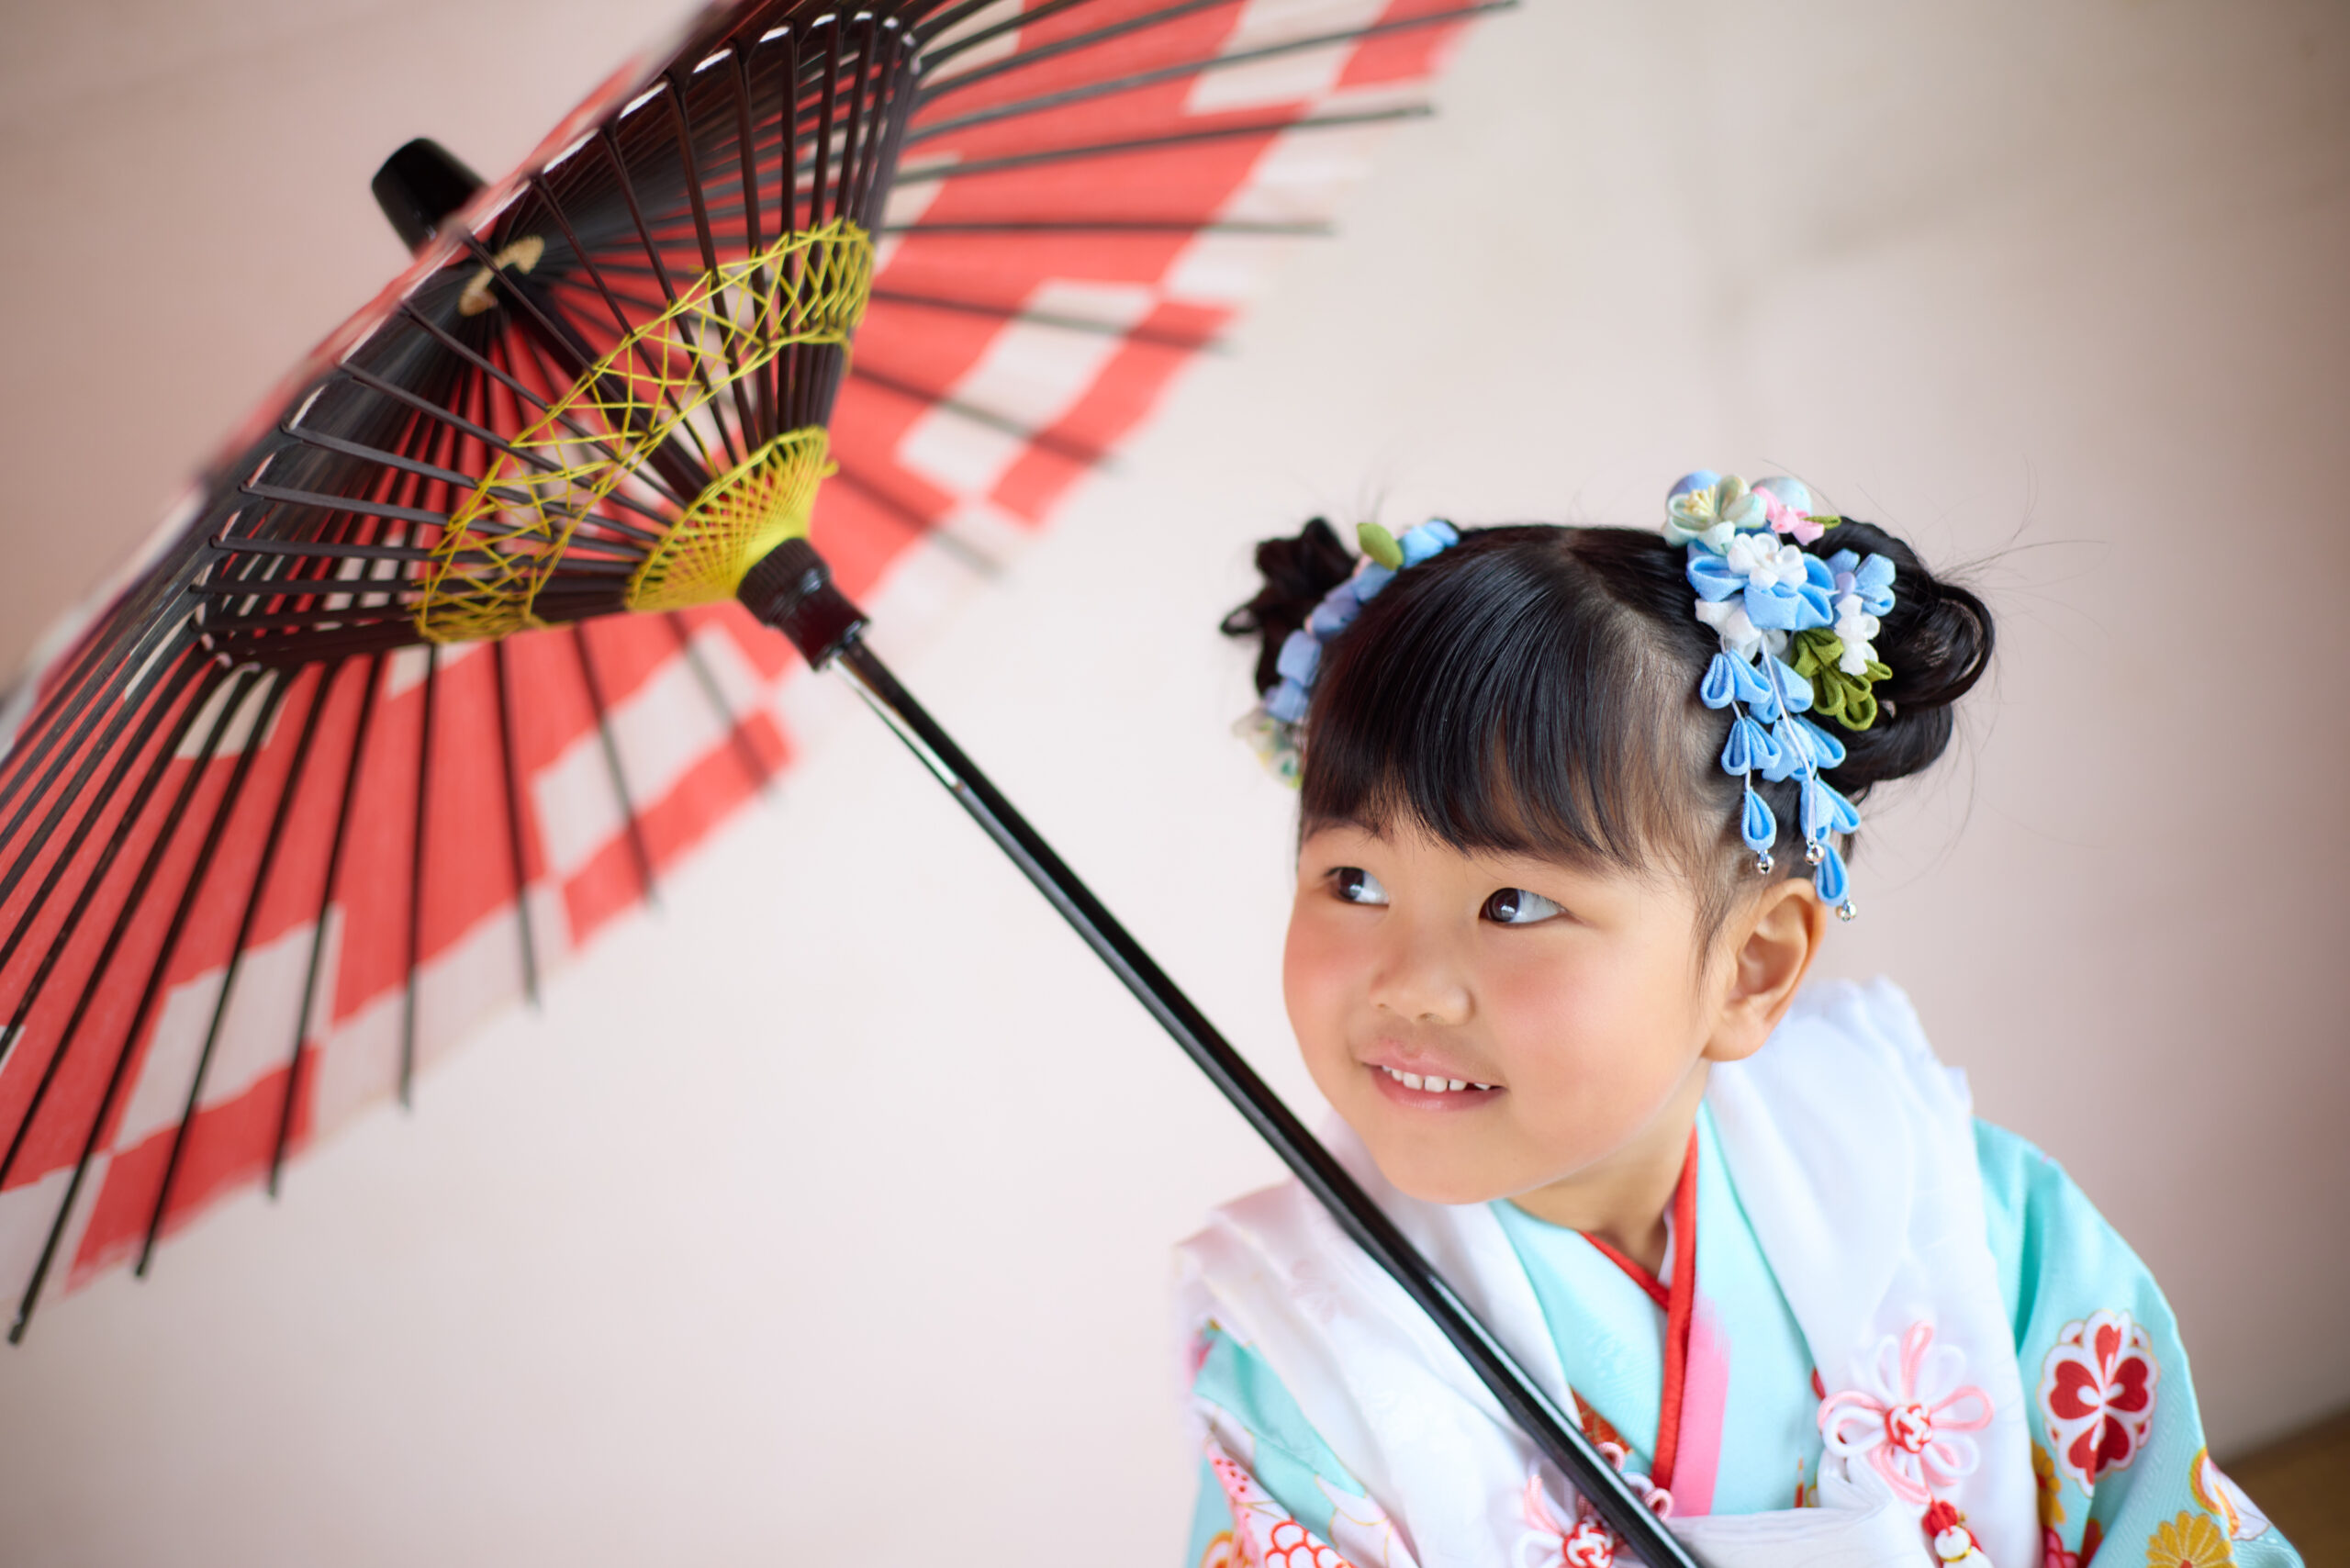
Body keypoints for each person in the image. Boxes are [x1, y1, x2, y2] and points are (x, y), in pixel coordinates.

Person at [1179, 476, 2297, 1568]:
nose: (1411, 986)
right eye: (1354, 882)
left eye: (1512, 903)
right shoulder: (1300, 1357)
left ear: (1751, 966)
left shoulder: (1968, 1217)